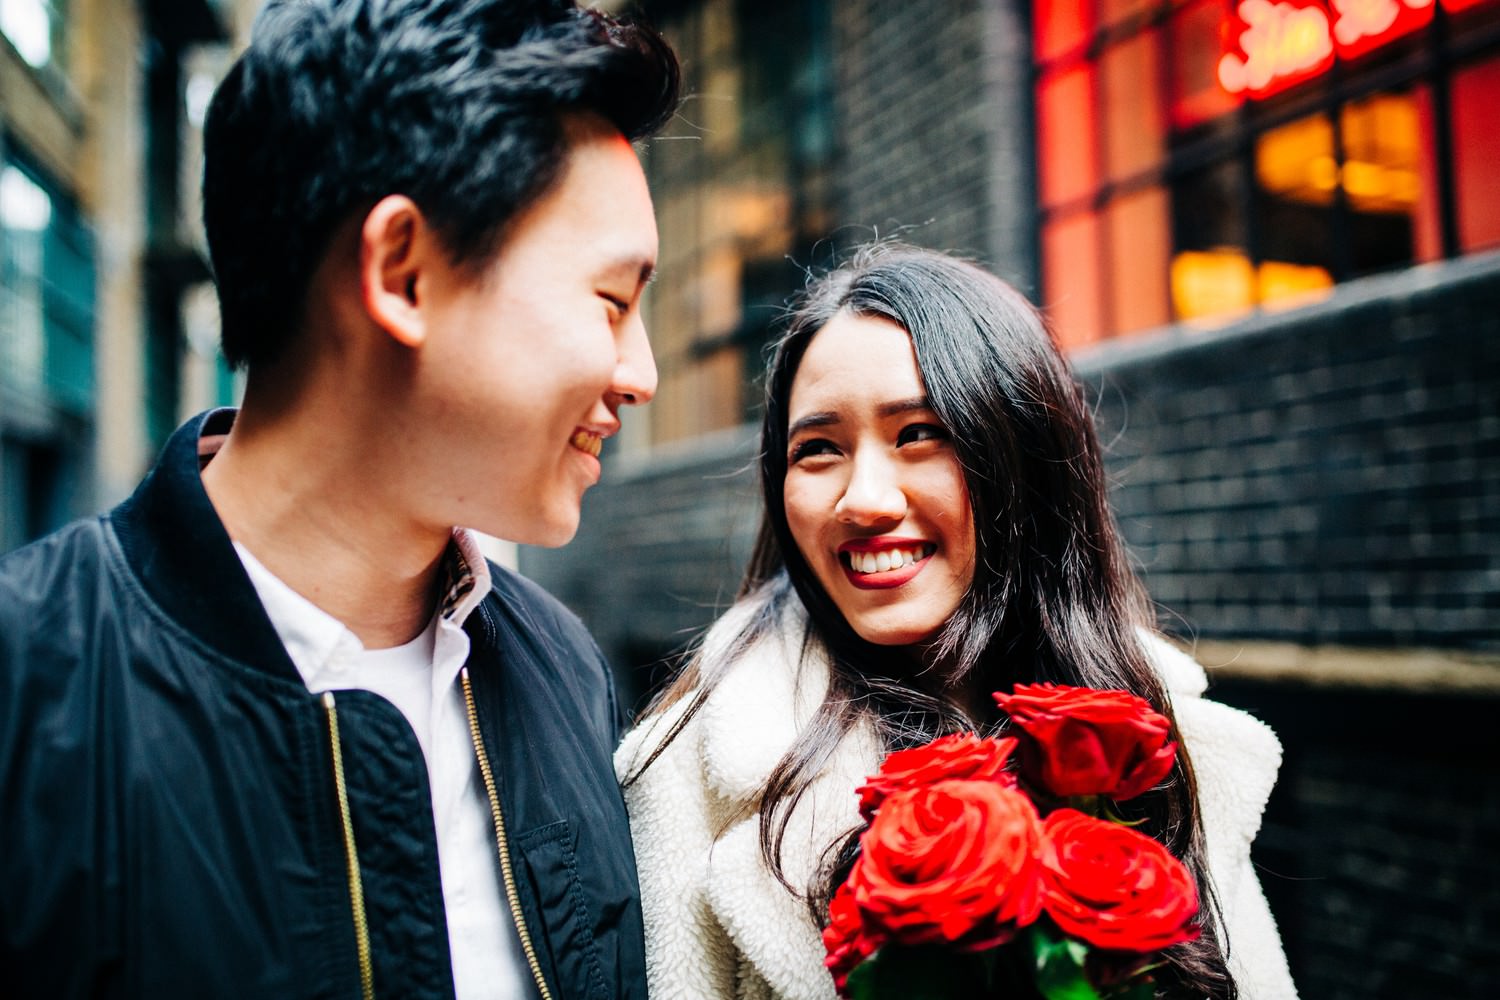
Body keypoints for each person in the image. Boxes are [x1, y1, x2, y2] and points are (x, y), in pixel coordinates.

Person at [0, 1, 678, 997]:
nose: (642, 372)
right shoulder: (30, 690)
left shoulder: (561, 668)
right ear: (401, 271)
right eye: (613, 302)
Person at [616, 243, 1298, 1000]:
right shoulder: (686, 774)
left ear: (1021, 455)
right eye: (817, 449)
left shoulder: (1169, 737)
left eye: (920, 433)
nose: (864, 500)